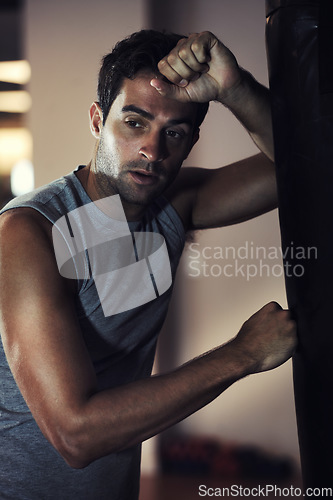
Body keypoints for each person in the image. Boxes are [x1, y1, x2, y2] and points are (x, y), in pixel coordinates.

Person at [0, 30, 297, 499]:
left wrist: (234, 89)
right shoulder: (30, 233)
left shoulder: (173, 206)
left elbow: (306, 165)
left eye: (173, 133)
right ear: (98, 121)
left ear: (192, 140)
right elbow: (76, 434)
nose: (152, 152)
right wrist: (243, 353)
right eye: (134, 123)